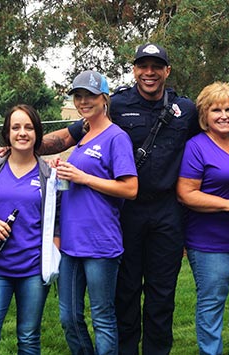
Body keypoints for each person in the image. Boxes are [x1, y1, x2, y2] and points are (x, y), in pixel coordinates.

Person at [28, 44, 198, 354]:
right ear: (134, 70)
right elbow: (67, 137)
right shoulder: (115, 104)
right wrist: (24, 147)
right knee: (126, 291)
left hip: (167, 210)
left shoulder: (184, 109)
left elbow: (211, 138)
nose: (149, 72)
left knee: (162, 295)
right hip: (127, 212)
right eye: (142, 66)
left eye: (156, 66)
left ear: (167, 71)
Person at [56, 70, 138, 355]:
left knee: (102, 317)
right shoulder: (84, 136)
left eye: (89, 96)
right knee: (68, 318)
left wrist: (83, 178)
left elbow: (130, 189)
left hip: (101, 242)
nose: (83, 101)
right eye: (78, 96)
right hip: (71, 242)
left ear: (105, 99)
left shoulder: (117, 138)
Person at [176, 82, 229, 355]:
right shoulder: (196, 146)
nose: (224, 115)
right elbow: (186, 194)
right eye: (216, 110)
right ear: (204, 115)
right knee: (212, 302)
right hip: (209, 242)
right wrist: (226, 205)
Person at [0, 104, 59, 355]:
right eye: (16, 127)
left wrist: (53, 253)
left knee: (29, 339)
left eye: (29, 127)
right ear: (7, 133)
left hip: (33, 270)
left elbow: (60, 217)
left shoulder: (49, 174)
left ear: (37, 133)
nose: (23, 133)